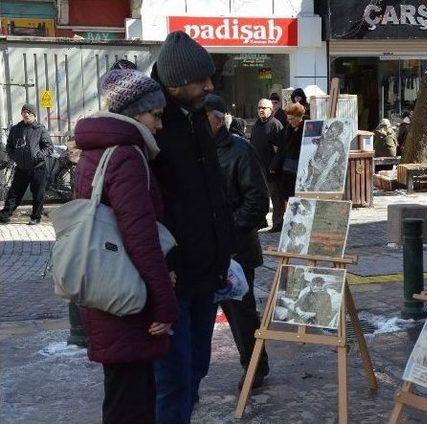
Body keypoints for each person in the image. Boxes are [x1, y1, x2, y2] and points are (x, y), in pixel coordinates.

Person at [72, 69, 179, 424]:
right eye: (156, 115)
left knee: (121, 397)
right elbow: (140, 236)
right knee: (131, 404)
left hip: (106, 290)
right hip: (127, 297)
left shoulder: (97, 151)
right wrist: (165, 303)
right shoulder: (127, 156)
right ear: (135, 114)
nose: (160, 125)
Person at [150, 31, 234, 424]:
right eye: (202, 80)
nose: (210, 86)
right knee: (174, 379)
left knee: (197, 367)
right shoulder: (154, 123)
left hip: (207, 272)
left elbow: (210, 193)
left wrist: (224, 252)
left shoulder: (196, 114)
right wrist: (164, 266)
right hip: (173, 277)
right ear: (175, 83)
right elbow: (147, 208)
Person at [203, 94, 271, 389]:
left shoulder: (239, 150)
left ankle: (255, 365)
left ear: (216, 119)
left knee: (241, 313)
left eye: (202, 118)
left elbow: (258, 200)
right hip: (205, 247)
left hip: (236, 249)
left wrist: (228, 232)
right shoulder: (197, 150)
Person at [0, 104, 53, 225]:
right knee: (14, 193)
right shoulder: (16, 129)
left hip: (38, 168)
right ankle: (4, 216)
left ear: (34, 115)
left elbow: (49, 148)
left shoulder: (40, 129)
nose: (26, 114)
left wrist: (38, 156)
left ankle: (35, 217)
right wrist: (15, 157)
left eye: (29, 112)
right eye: (24, 112)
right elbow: (9, 147)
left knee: (38, 193)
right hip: (21, 168)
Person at [250, 98, 284, 232]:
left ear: (271, 109)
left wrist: (274, 166)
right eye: (259, 108)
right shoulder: (257, 124)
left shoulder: (276, 125)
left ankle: (278, 223)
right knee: (260, 197)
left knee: (276, 198)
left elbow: (281, 149)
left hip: (272, 169)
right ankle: (261, 222)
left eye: (264, 108)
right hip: (258, 168)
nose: (261, 110)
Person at [271, 103, 305, 212]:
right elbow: (284, 148)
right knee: (288, 196)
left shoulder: (306, 128)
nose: (289, 121)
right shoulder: (288, 128)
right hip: (288, 169)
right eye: (288, 119)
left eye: (291, 119)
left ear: (298, 117)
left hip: (301, 170)